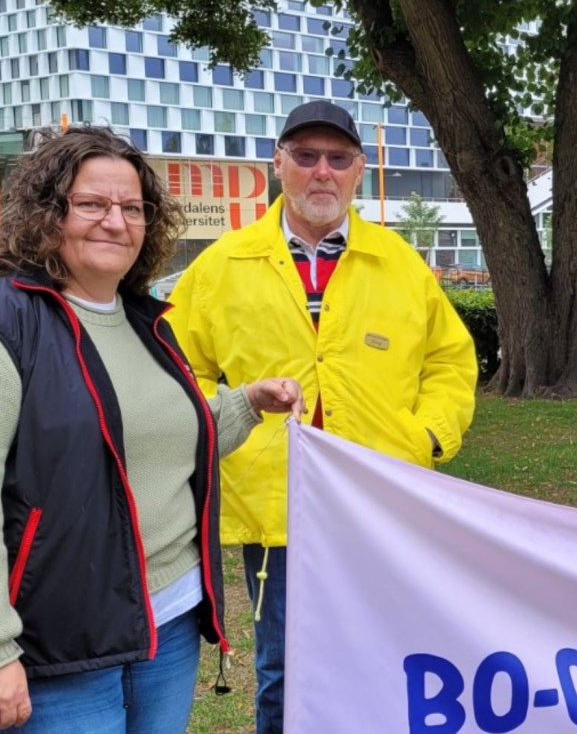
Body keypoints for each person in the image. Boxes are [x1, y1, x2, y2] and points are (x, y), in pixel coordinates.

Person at [0, 126, 304, 733]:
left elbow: (151, 447)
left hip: (166, 626)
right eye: (91, 204)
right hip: (57, 648)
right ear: (45, 212)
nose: (115, 221)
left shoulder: (147, 323)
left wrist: (244, 404)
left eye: (133, 208)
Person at [166, 100, 478, 733]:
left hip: (384, 501)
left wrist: (427, 436)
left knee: (390, 656)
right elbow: (174, 371)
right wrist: (235, 413)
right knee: (286, 668)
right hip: (280, 511)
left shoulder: (399, 263)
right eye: (305, 157)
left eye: (337, 159)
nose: (321, 173)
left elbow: (449, 361)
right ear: (278, 164)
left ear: (358, 169)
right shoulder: (223, 266)